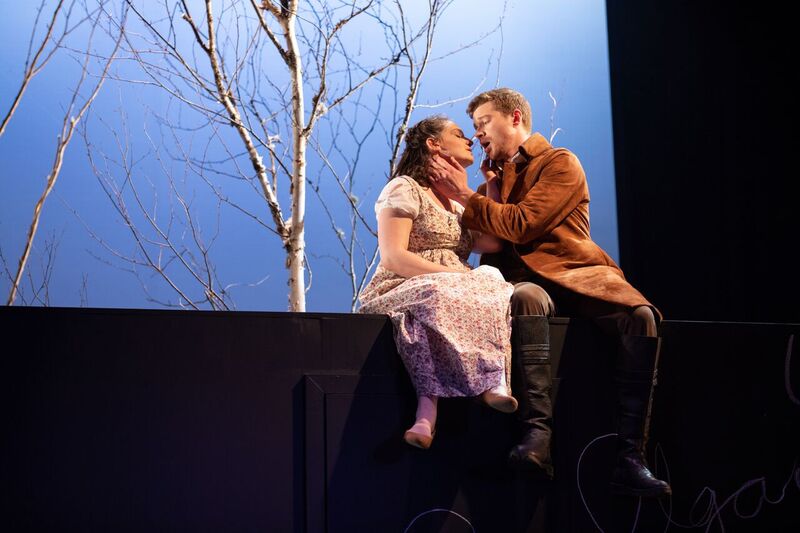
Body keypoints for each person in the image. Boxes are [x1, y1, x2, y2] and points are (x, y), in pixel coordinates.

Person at [426, 88, 671, 498]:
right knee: (525, 296)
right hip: (526, 282)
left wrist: (467, 194)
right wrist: (485, 191)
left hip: (575, 272)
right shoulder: (494, 177)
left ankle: (631, 458)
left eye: (484, 123)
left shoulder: (559, 162)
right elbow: (490, 239)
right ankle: (536, 438)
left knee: (641, 316)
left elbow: (523, 224)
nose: (478, 134)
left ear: (516, 117)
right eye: (474, 128)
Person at [357, 115, 520, 450]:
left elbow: (492, 243)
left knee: (492, 276)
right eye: (459, 134)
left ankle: (493, 380)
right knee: (437, 293)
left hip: (454, 285)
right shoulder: (406, 189)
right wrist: (449, 275)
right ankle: (426, 408)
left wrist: (485, 185)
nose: (470, 140)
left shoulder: (456, 204)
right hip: (403, 283)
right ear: (433, 144)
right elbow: (393, 257)